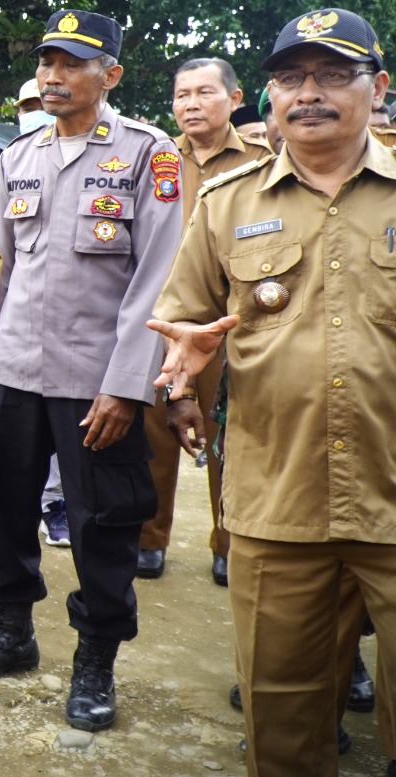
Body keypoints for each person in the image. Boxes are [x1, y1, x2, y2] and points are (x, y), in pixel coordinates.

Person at [151, 7, 396, 777]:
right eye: (290, 77)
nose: (308, 92)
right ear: (269, 95)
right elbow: (182, 318)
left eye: (332, 74)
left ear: (378, 88)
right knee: (281, 722)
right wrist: (179, 377)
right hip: (275, 504)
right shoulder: (227, 202)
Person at [0, 10, 184, 733]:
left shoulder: (149, 154)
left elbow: (157, 277)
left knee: (102, 527)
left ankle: (96, 661)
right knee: (3, 512)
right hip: (14, 370)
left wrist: (124, 385)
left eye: (71, 63)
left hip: (94, 383)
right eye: (46, 61)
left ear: (109, 74)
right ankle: (11, 632)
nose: (52, 75)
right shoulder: (18, 156)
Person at [135, 57, 270, 585]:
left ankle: (227, 541)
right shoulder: (158, 159)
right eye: (181, 94)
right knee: (155, 430)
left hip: (232, 320)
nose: (190, 104)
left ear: (235, 100)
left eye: (204, 93)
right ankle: (150, 538)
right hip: (166, 316)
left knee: (226, 435)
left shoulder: (261, 160)